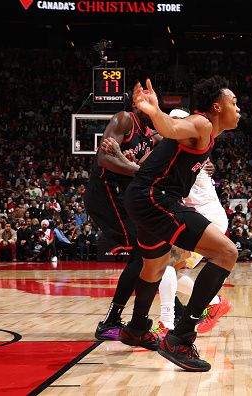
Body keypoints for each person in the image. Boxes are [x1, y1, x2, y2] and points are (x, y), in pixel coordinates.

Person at [122, 76, 240, 372]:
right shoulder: (201, 124)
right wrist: (153, 110)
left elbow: (165, 143)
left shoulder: (208, 134)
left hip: (144, 198)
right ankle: (181, 337)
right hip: (155, 198)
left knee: (156, 266)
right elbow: (172, 127)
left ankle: (137, 328)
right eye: (234, 103)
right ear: (217, 106)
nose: (238, 109)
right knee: (226, 253)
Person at [84, 87, 160, 342]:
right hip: (104, 192)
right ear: (137, 102)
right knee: (143, 250)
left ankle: (119, 319)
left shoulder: (151, 136)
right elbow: (104, 159)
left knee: (147, 251)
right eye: (147, 99)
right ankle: (113, 320)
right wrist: (135, 169)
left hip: (122, 195)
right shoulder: (125, 119)